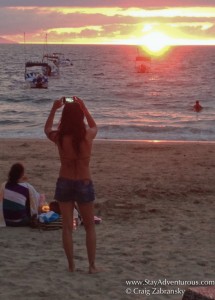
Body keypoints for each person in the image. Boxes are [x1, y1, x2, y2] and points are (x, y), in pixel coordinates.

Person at [44, 96, 100, 273]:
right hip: (83, 181)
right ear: (80, 117)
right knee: (89, 226)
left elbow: (46, 130)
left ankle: (71, 266)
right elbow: (94, 126)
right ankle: (91, 266)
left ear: (65, 118)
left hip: (65, 181)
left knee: (67, 227)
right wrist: (84, 107)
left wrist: (54, 109)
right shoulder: (87, 136)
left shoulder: (60, 137)